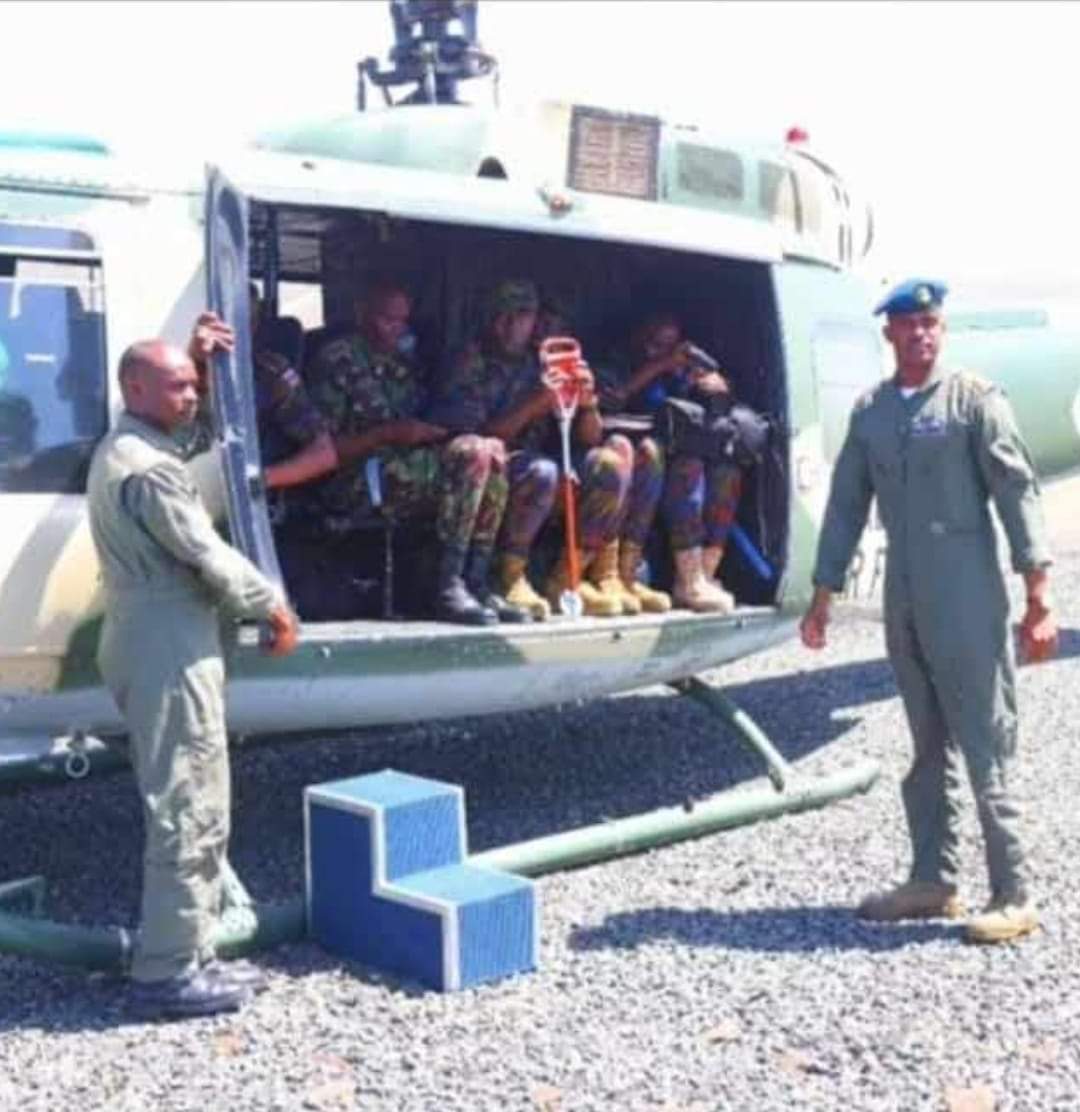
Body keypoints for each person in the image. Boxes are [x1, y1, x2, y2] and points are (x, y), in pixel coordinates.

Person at [800, 277, 1059, 944]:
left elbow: (1016, 492)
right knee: (925, 745)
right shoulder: (873, 412)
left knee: (985, 742)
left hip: (967, 596)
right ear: (888, 333)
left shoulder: (974, 401)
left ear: (942, 330)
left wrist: (1038, 597)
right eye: (908, 324)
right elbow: (847, 505)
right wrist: (822, 594)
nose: (920, 333)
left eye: (931, 322)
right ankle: (932, 879)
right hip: (906, 600)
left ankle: (1014, 892)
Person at [87, 338, 299, 1019]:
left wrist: (202, 361)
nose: (192, 397)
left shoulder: (131, 446)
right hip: (169, 647)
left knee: (192, 792)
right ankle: (168, 972)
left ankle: (190, 949)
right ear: (136, 389)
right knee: (188, 803)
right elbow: (203, 550)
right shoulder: (148, 469)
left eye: (192, 384)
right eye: (178, 385)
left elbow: (200, 436)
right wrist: (270, 602)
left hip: (151, 636)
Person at [306, 279, 519, 626]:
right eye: (386, 319)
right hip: (355, 477)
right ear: (362, 313)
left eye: (402, 321)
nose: (395, 329)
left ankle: (476, 580)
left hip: (402, 462)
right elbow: (322, 448)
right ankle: (446, 585)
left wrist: (437, 426)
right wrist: (387, 434)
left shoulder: (404, 362)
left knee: (491, 451)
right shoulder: (338, 359)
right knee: (472, 457)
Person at [429, 279, 644, 620]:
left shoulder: (543, 359)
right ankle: (507, 577)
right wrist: (538, 402)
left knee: (609, 465)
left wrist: (586, 404)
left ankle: (568, 578)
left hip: (544, 459)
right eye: (509, 315)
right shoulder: (471, 360)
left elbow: (589, 437)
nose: (516, 325)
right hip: (491, 469)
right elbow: (479, 436)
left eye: (525, 315)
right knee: (541, 472)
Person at [601, 312, 741, 613]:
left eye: (670, 346)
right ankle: (681, 580)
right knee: (678, 465)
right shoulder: (619, 361)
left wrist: (713, 386)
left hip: (678, 451)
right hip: (634, 452)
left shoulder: (681, 370)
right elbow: (612, 399)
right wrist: (659, 366)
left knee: (725, 472)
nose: (663, 352)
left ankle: (701, 574)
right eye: (655, 344)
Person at [187, 301, 338, 492]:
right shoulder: (178, 366)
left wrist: (258, 481)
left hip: (238, 499)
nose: (229, 333)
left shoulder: (270, 374)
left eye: (243, 324)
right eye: (221, 326)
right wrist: (197, 361)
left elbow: (324, 454)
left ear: (254, 327)